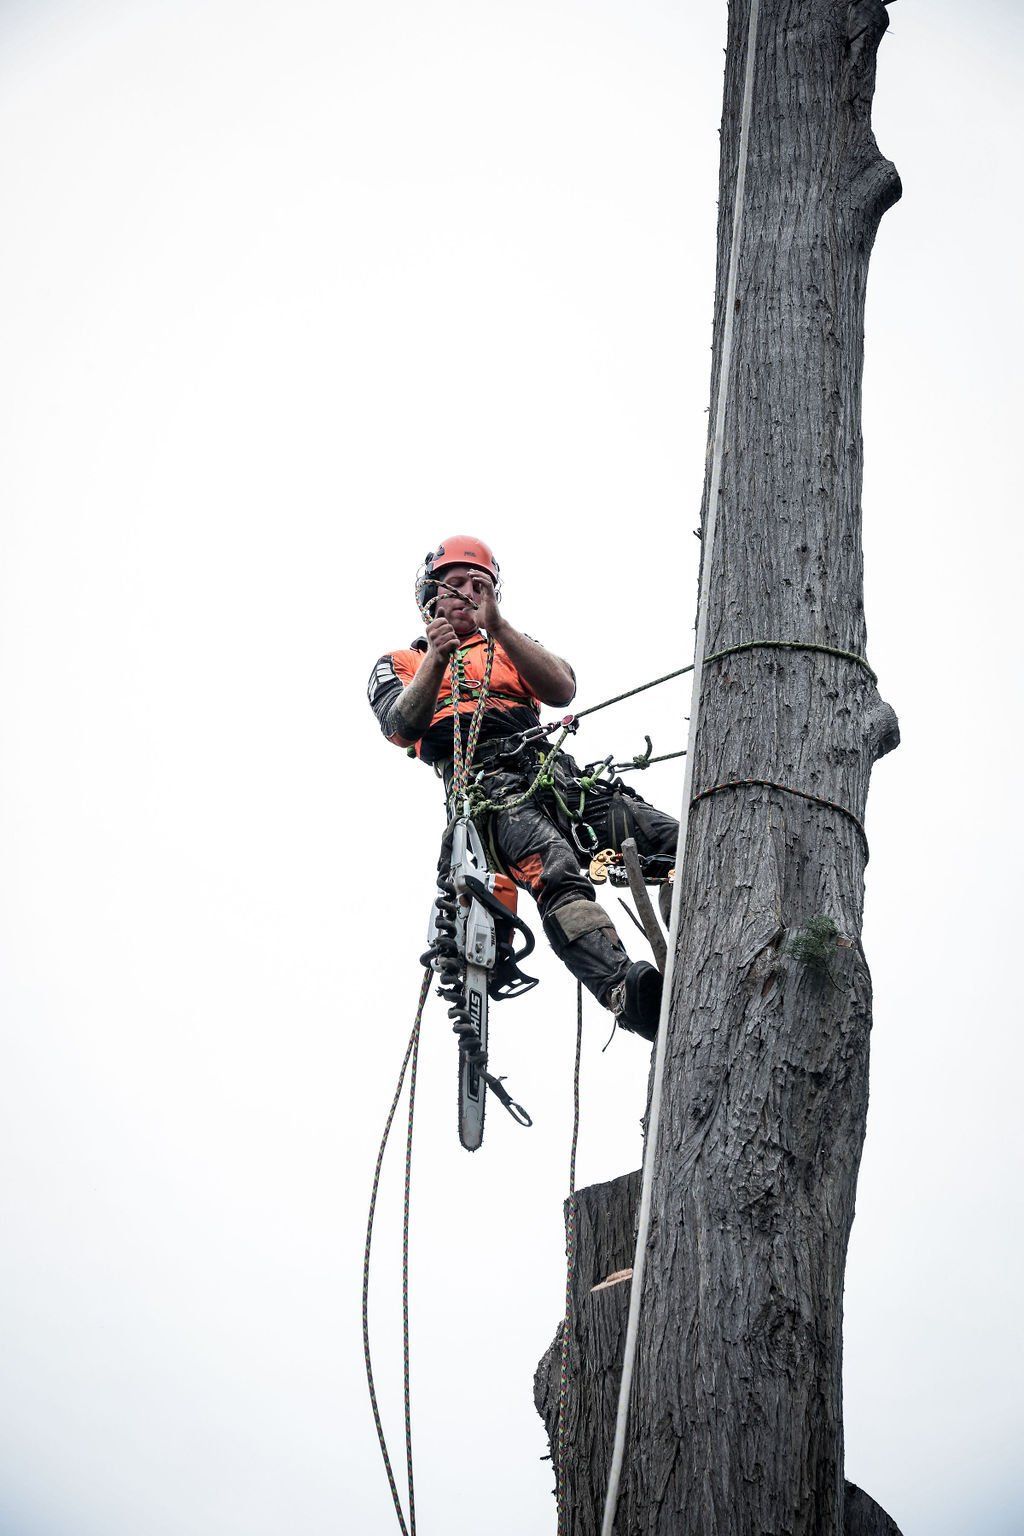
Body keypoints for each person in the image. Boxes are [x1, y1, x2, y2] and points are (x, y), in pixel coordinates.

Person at [367, 535, 678, 1040]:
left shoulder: (509, 645)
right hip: (491, 790)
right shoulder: (402, 661)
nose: (470, 593)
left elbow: (562, 688)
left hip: (558, 778)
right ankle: (623, 988)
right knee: (555, 871)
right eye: (458, 585)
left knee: (669, 840)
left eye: (481, 585)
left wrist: (501, 628)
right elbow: (399, 724)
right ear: (432, 598)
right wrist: (437, 661)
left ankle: (695, 922)